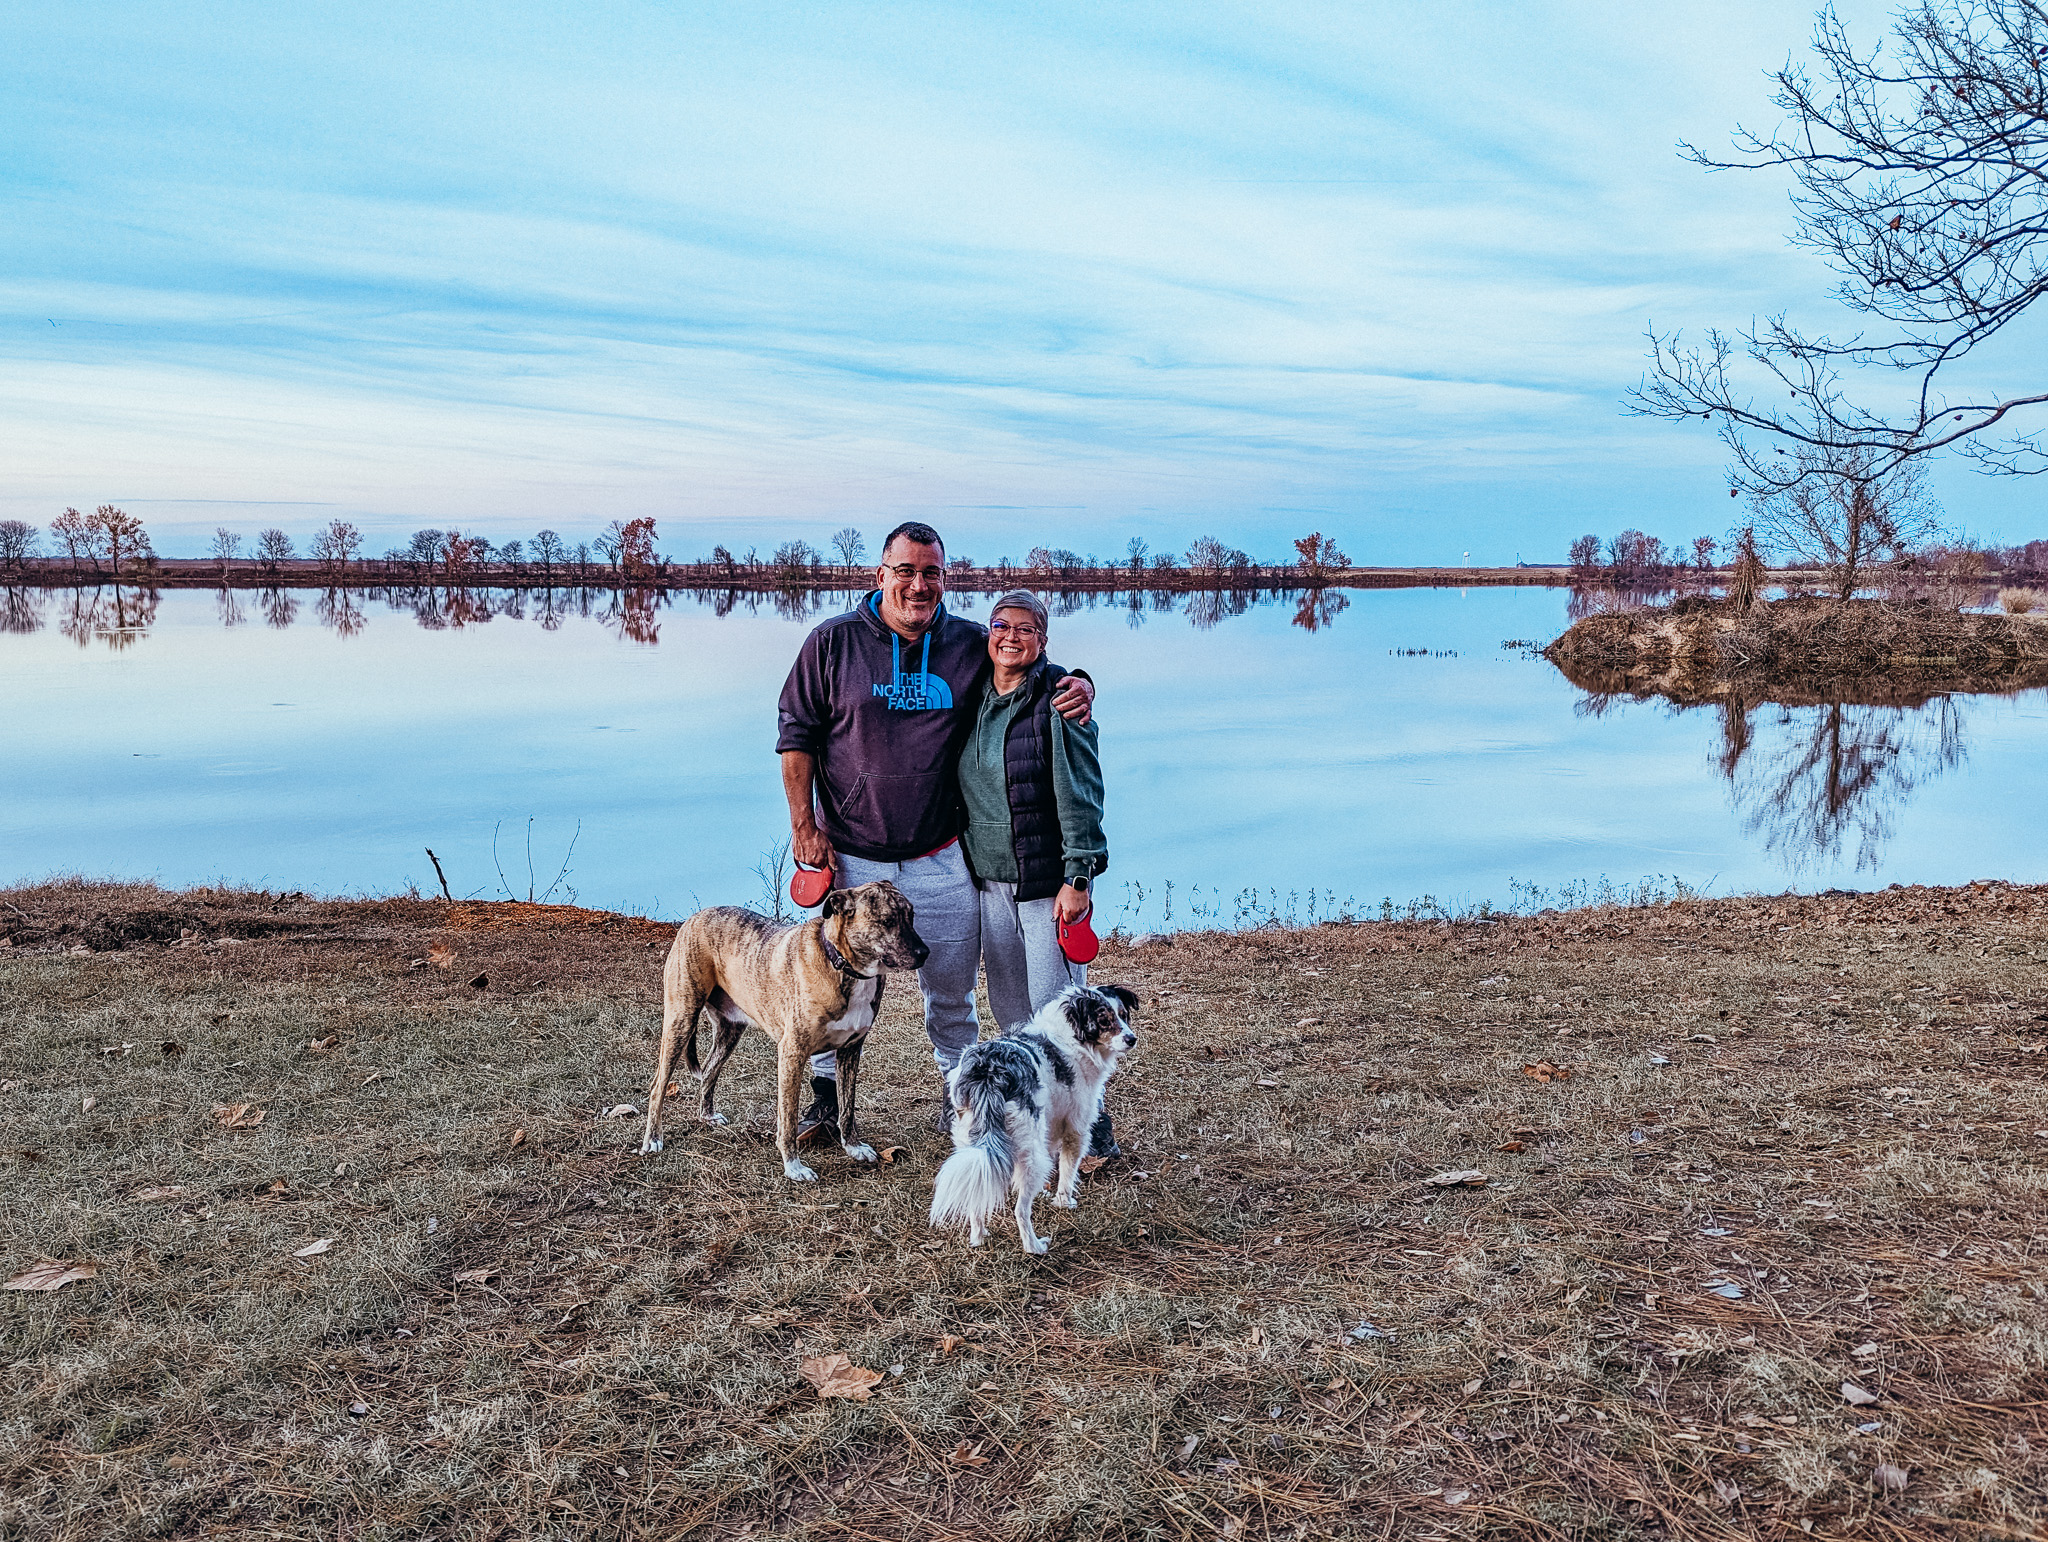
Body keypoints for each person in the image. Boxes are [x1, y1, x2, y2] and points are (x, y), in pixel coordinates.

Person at [775, 523, 1094, 1135]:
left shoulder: (968, 643)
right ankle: (822, 1096)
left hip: (941, 854)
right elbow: (796, 737)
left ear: (945, 579)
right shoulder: (832, 644)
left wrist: (1080, 684)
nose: (918, 585)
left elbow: (1027, 663)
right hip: (851, 857)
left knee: (950, 992)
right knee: (821, 985)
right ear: (881, 575)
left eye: (932, 574)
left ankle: (964, 1096)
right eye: (906, 571)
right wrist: (804, 824)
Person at [958, 590, 1120, 1157]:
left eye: (1026, 629)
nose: (1011, 636)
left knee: (1061, 1016)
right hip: (989, 880)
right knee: (1011, 1012)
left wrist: (1079, 877)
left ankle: (1093, 1132)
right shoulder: (973, 694)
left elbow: (1083, 794)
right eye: (1001, 625)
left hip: (1048, 884)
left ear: (1043, 640)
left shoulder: (1059, 701)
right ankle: (1026, 1121)